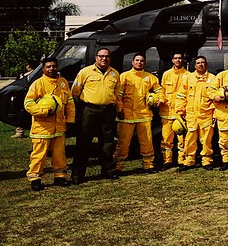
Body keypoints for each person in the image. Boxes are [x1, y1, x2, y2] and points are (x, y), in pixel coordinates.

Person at [23, 57, 75, 191]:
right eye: (48, 67)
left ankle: (60, 177)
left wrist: (70, 120)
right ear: (43, 68)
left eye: (53, 66)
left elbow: (69, 103)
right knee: (39, 155)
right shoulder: (38, 84)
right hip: (42, 127)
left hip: (59, 126)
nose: (51, 69)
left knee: (59, 154)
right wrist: (44, 112)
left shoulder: (63, 83)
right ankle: (35, 179)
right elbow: (28, 104)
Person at [71, 48, 122, 183]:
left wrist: (118, 110)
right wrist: (81, 109)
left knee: (107, 143)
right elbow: (75, 92)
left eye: (106, 56)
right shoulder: (85, 72)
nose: (104, 59)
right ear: (96, 57)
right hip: (89, 110)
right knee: (84, 142)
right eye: (101, 56)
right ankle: (78, 174)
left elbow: (117, 95)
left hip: (108, 112)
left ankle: (108, 171)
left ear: (110, 58)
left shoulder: (115, 74)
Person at [113, 53, 164, 174]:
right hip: (126, 115)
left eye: (141, 61)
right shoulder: (124, 76)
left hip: (144, 114)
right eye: (137, 60)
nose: (139, 62)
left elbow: (160, 91)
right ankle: (117, 167)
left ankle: (148, 165)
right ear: (132, 62)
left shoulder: (150, 77)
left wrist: (158, 100)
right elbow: (118, 95)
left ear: (144, 63)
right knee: (123, 143)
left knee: (146, 142)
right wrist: (119, 110)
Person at [176, 56, 217, 171]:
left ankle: (207, 160)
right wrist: (180, 111)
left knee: (207, 140)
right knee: (189, 139)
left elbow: (216, 99)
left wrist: (215, 114)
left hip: (207, 114)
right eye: (198, 63)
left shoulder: (213, 79)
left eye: (202, 63)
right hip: (191, 115)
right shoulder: (188, 78)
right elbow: (181, 96)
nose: (200, 65)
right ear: (195, 65)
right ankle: (189, 160)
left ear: (206, 64)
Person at [158, 51, 189, 169]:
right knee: (166, 139)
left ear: (183, 60)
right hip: (167, 112)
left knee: (182, 139)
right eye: (176, 58)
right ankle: (167, 161)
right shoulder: (166, 74)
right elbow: (162, 90)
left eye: (180, 58)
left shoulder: (188, 75)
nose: (178, 60)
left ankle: (181, 160)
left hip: (181, 113)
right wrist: (161, 100)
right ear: (172, 60)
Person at [12, 59, 38, 138]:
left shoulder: (31, 75)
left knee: (23, 113)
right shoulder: (25, 75)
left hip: (27, 96)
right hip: (24, 96)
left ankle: (20, 131)